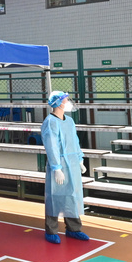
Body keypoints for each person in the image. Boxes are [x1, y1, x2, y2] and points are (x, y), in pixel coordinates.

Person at [41, 91, 89, 244]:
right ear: (57, 103)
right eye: (65, 100)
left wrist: (80, 160)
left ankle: (73, 229)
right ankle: (51, 230)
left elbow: (75, 141)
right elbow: (52, 146)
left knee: (72, 195)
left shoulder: (69, 121)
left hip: (72, 163)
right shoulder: (50, 122)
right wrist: (56, 168)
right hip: (59, 164)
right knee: (54, 196)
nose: (68, 102)